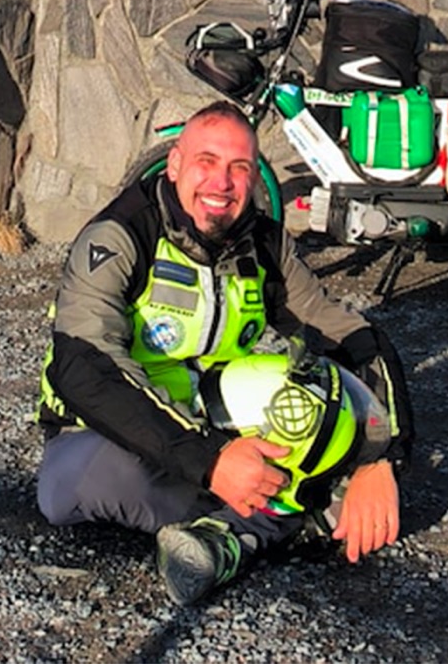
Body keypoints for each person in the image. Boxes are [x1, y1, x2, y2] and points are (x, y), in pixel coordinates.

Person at [34, 101, 413, 606]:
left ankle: (230, 536)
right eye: (206, 162)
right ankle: (281, 517)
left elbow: (350, 334)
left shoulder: (265, 243)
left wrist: (380, 455)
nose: (222, 184)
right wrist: (211, 461)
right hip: (122, 432)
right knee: (66, 488)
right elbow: (83, 367)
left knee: (322, 402)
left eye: (239, 168)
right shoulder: (120, 236)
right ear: (174, 165)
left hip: (225, 424)